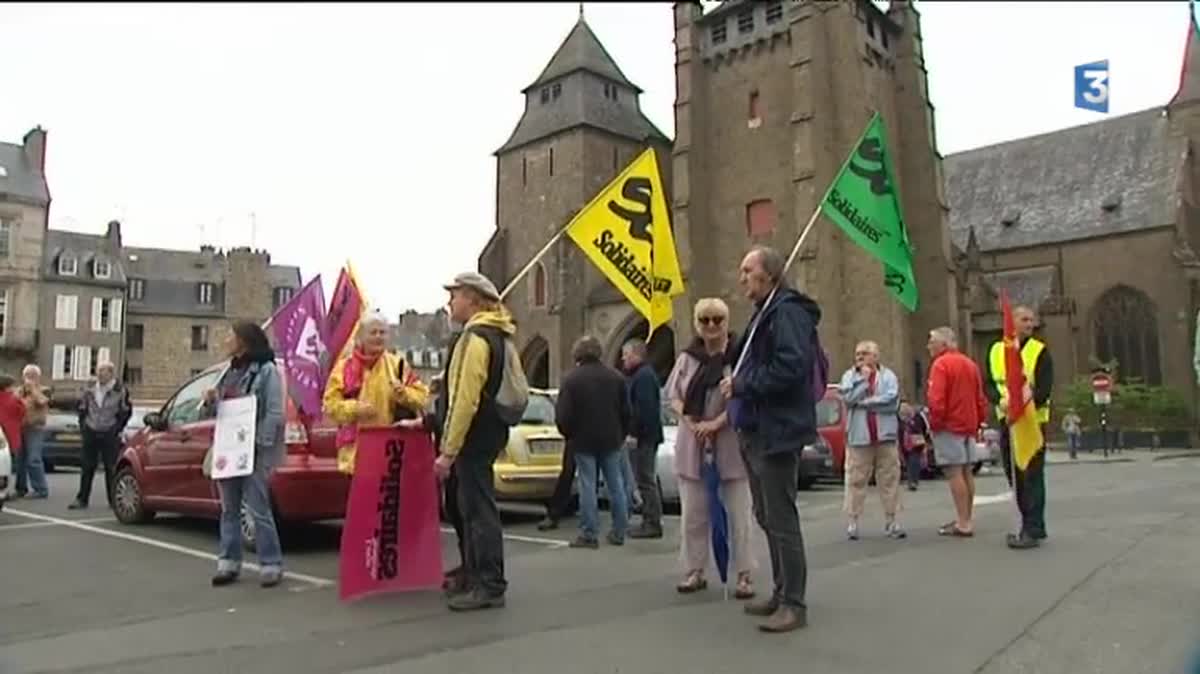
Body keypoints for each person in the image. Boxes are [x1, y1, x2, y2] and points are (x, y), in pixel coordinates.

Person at [719, 245, 820, 634]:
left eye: (748, 270)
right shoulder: (764, 313)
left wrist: (743, 384)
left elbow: (791, 366)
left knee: (781, 518)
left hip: (777, 430)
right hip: (757, 428)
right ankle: (781, 592)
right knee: (766, 515)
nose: (742, 277)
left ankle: (795, 603)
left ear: (770, 275)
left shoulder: (788, 312)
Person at [435, 271, 518, 611]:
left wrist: (447, 451)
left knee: (478, 510)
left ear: (471, 298)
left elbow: (464, 399)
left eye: (454, 295)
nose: (450, 302)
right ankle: (475, 573)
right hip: (488, 433)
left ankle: (489, 583)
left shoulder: (476, 338)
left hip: (473, 437)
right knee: (471, 508)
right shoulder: (499, 335)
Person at [665, 298, 755, 598]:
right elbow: (674, 395)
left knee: (738, 514)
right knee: (693, 514)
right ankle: (695, 570)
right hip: (693, 444)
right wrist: (691, 421)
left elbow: (746, 398)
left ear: (727, 322)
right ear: (696, 324)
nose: (711, 326)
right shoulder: (687, 359)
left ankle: (744, 574)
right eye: (705, 320)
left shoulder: (740, 357)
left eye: (717, 319)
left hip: (729, 442)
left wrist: (716, 423)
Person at [200, 322, 288, 587]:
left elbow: (274, 412)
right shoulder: (228, 372)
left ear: (244, 341)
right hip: (229, 447)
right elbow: (214, 413)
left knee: (258, 508)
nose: (226, 339)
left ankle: (270, 563)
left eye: (231, 335)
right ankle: (228, 562)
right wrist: (211, 401)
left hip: (254, 448)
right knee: (229, 509)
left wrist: (260, 443)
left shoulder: (267, 371)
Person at [323, 309, 429, 476]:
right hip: (355, 456)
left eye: (383, 332)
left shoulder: (398, 366)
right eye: (373, 332)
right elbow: (330, 405)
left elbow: (423, 398)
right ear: (361, 337)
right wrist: (355, 409)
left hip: (392, 452)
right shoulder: (344, 368)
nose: (379, 336)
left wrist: (404, 394)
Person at [985, 305, 1054, 550]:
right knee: (1014, 475)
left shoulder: (1040, 351)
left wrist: (1022, 407)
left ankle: (1034, 528)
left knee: (1032, 476)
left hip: (1033, 424)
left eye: (1031, 320)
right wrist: (1000, 400)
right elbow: (989, 384)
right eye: (1024, 319)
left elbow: (1044, 390)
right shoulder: (995, 350)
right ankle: (1025, 522)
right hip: (1007, 422)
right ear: (1011, 322)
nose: (1030, 324)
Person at [555, 335, 630, 549]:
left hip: (583, 438)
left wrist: (568, 434)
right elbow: (626, 411)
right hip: (611, 437)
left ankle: (589, 533)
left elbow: (563, 414)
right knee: (616, 485)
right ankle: (619, 531)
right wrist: (621, 433)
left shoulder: (571, 380)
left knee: (588, 485)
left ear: (577, 353)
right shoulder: (616, 378)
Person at [837, 340, 905, 541]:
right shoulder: (849, 376)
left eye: (865, 353)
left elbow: (892, 401)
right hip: (859, 437)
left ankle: (891, 521)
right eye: (857, 353)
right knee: (855, 479)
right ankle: (853, 522)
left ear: (876, 356)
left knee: (890, 479)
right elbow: (848, 400)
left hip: (885, 437)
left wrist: (865, 403)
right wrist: (863, 382)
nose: (860, 356)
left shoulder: (888, 376)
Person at [925, 326, 988, 538]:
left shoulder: (941, 365)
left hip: (949, 426)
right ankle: (966, 518)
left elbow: (936, 400)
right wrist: (979, 421)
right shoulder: (970, 364)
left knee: (954, 472)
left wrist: (934, 424)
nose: (928, 346)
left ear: (943, 344)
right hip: (969, 425)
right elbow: (980, 397)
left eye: (932, 341)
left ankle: (963, 522)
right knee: (967, 472)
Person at [70, 361, 132, 510]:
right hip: (91, 429)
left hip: (109, 431)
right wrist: (84, 426)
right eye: (98, 371)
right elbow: (82, 408)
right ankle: (82, 499)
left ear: (111, 373)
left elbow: (125, 411)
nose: (99, 374)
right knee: (87, 466)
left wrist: (116, 428)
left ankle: (113, 500)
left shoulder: (120, 390)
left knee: (111, 468)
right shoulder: (89, 389)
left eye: (103, 371)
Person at [622, 338, 664, 539]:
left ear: (637, 354)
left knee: (646, 480)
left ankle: (652, 523)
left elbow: (644, 410)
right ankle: (649, 520)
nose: (623, 358)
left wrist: (634, 434)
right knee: (645, 479)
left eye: (626, 354)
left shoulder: (643, 377)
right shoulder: (639, 375)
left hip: (644, 438)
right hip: (645, 437)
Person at [16, 364, 50, 499]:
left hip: (35, 428)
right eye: (27, 376)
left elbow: (42, 401)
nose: (29, 379)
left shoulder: (44, 390)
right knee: (20, 460)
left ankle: (41, 489)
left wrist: (33, 389)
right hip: (20, 428)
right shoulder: (19, 391)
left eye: (33, 376)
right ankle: (20, 488)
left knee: (33, 459)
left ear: (38, 378)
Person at [0, 376, 28, 498]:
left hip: (2, 435)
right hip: (12, 434)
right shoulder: (13, 399)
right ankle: (20, 488)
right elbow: (22, 412)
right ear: (8, 387)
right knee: (17, 463)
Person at [898, 401, 931, 492]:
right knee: (909, 462)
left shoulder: (917, 417)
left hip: (915, 443)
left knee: (914, 461)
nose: (903, 411)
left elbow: (924, 428)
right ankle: (912, 480)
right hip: (905, 444)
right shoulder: (899, 419)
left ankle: (913, 481)